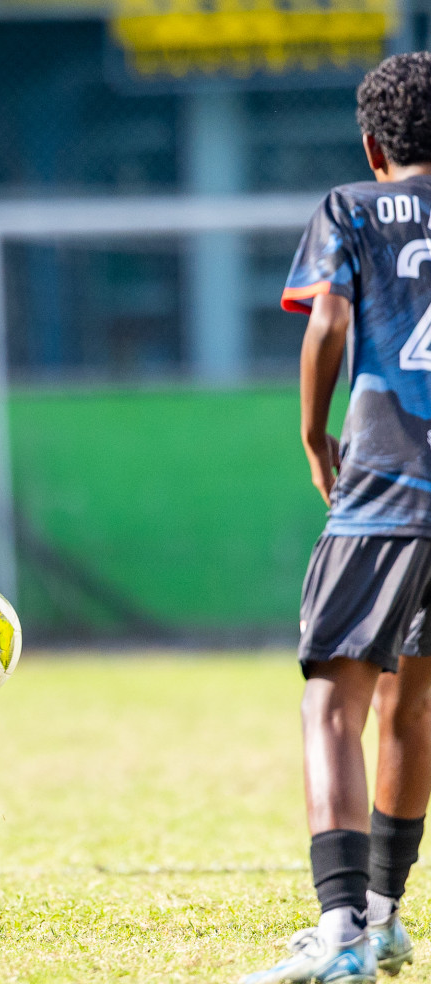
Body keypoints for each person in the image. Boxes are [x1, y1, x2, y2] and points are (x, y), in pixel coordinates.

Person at [243, 52, 431, 984]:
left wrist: (315, 437)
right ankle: (389, 919)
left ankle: (346, 932)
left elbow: (326, 322)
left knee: (335, 697)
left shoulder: (350, 205)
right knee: (416, 696)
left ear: (371, 143)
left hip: (389, 482)